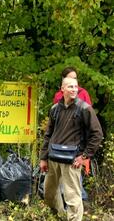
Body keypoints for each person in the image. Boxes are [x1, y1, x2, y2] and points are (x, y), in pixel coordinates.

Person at [40, 77, 103, 221]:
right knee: (49, 194)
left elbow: (97, 134)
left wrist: (85, 156)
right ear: (62, 89)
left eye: (75, 87)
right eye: (70, 87)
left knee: (73, 199)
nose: (74, 89)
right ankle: (61, 217)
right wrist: (43, 158)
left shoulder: (85, 109)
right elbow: (48, 134)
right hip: (53, 159)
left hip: (72, 161)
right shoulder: (55, 109)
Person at [52, 66, 92, 201]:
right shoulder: (58, 96)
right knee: (63, 178)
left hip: (78, 142)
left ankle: (79, 203)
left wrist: (85, 149)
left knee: (75, 175)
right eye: (70, 79)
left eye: (75, 79)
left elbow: (90, 121)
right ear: (63, 82)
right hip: (61, 144)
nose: (74, 84)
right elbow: (56, 120)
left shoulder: (83, 94)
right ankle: (66, 204)